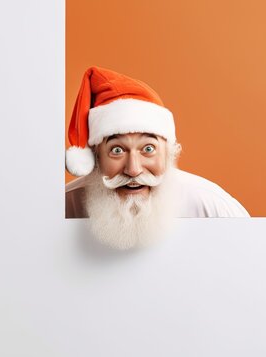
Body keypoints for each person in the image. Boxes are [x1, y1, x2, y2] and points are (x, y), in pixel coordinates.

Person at [65, 67, 249, 249]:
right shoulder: (64, 206)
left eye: (148, 148)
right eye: (117, 151)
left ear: (169, 153)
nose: (133, 169)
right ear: (97, 158)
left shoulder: (211, 206)